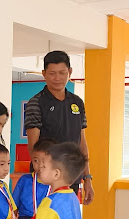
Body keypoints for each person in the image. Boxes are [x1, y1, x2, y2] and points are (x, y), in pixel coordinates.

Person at [24, 50, 94, 204]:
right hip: (46, 180)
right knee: (45, 217)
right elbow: (33, 146)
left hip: (71, 178)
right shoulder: (36, 103)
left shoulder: (77, 102)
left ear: (70, 72)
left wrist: (87, 177)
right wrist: (44, 174)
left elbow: (82, 143)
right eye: (52, 73)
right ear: (44, 74)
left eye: (62, 73)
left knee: (66, 217)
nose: (57, 78)